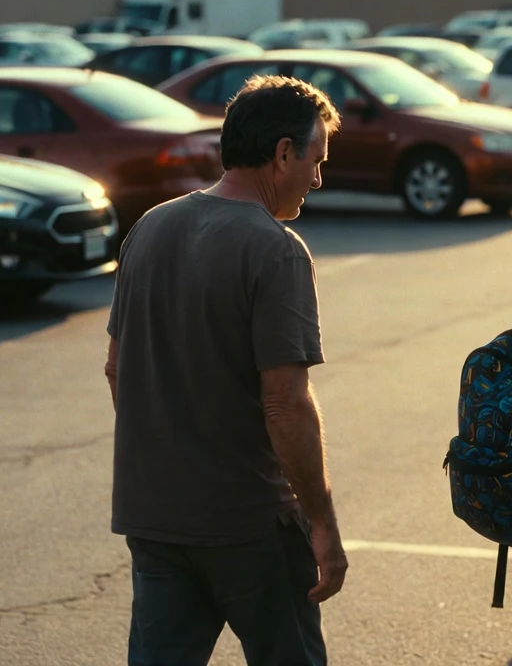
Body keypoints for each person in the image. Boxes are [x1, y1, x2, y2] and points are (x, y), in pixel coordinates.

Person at [103, 74, 346, 666]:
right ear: (282, 152)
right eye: (315, 159)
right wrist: (322, 523)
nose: (317, 178)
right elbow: (286, 405)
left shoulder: (150, 228)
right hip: (249, 523)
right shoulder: (275, 248)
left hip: (155, 515)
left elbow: (116, 368)